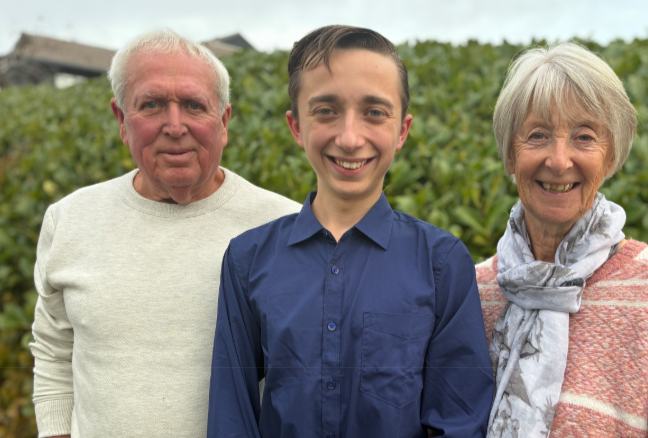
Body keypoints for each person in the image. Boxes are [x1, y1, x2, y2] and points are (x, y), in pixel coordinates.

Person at [207, 25, 494, 438]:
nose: (349, 137)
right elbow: (230, 418)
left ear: (402, 131)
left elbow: (459, 422)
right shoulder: (248, 259)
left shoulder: (441, 262)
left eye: (374, 112)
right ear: (296, 127)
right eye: (325, 110)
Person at [29, 30, 300, 438]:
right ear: (121, 120)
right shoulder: (69, 220)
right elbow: (53, 347)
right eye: (151, 105)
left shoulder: (285, 226)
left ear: (223, 122)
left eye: (194, 105)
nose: (175, 127)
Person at [476, 43, 648, 437]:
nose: (559, 161)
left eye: (583, 137)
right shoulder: (472, 291)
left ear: (610, 156)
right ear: (510, 155)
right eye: (538, 135)